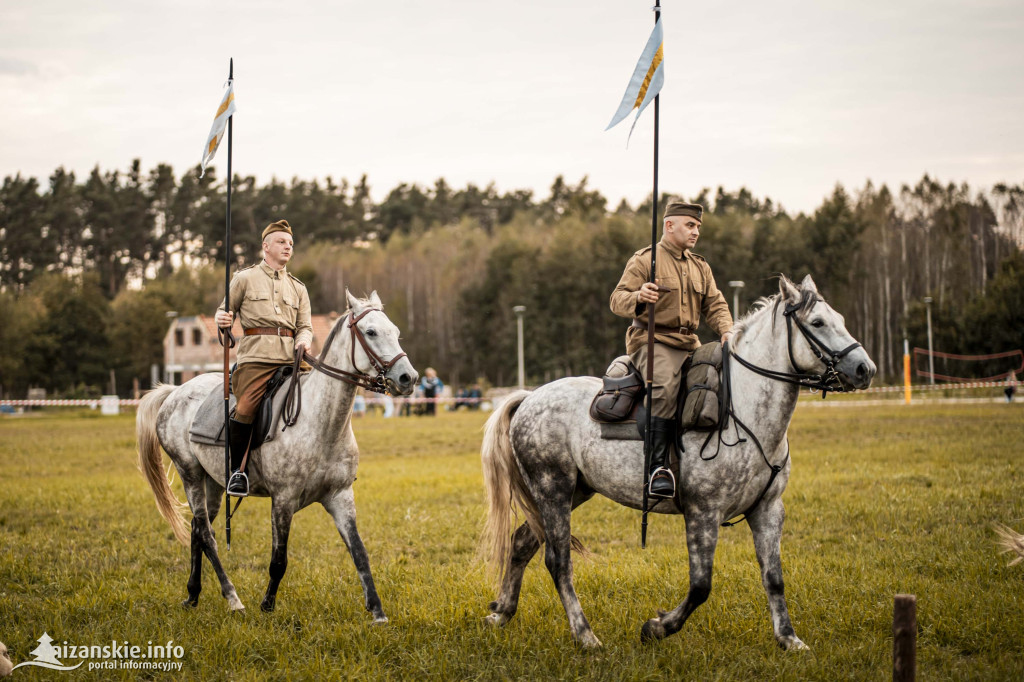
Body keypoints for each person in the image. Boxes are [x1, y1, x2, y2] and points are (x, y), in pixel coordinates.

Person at [609, 201, 733, 499]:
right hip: (652, 341)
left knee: (718, 381)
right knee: (664, 387)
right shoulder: (645, 260)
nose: (696, 232)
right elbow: (616, 300)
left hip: (690, 342)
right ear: (669, 226)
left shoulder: (700, 265)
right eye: (690, 225)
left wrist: (727, 330)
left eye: (698, 227)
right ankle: (658, 469)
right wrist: (640, 295)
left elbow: (714, 304)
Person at [214, 219, 313, 497]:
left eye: (291, 243)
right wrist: (221, 319)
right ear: (265, 246)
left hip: (291, 359)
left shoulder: (298, 287)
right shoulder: (244, 278)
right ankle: (238, 472)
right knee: (246, 407)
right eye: (282, 242)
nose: (288, 247)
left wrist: (304, 340)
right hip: (256, 360)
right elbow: (224, 312)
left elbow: (305, 326)